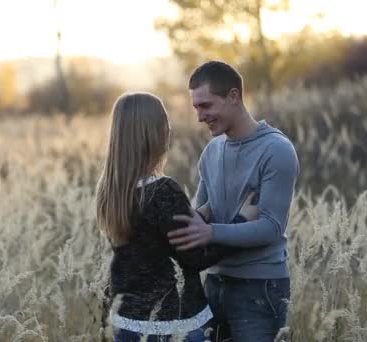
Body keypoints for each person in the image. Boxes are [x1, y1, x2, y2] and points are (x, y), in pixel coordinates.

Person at [96, 92, 258, 342]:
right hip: (174, 326)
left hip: (124, 324)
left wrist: (197, 215)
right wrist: (242, 221)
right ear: (155, 132)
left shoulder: (110, 191)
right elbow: (194, 258)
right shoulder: (163, 190)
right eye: (165, 122)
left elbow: (150, 241)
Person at [168, 61, 300, 342]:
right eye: (196, 108)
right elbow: (199, 215)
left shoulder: (276, 150)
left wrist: (211, 231)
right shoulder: (212, 151)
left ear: (233, 96)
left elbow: (271, 227)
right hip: (214, 285)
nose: (201, 117)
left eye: (206, 106)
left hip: (260, 288)